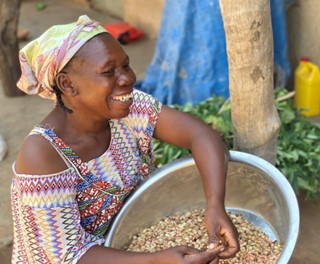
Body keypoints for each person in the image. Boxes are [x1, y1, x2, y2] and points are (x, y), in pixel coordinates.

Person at [11, 15, 239, 264]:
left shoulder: (126, 108)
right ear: (68, 84)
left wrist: (215, 206)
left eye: (126, 65)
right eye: (109, 72)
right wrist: (159, 261)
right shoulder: (43, 154)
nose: (128, 78)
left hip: (128, 243)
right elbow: (67, 257)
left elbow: (200, 135)